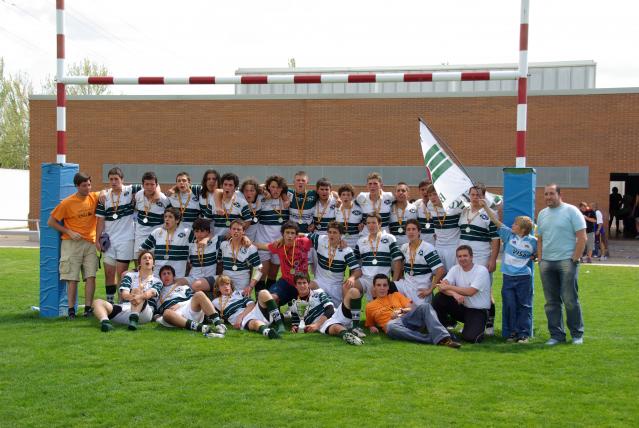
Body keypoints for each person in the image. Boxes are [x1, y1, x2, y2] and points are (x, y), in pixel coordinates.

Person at [537, 184, 586, 346]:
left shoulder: (571, 211)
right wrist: (540, 259)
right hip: (546, 263)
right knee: (551, 302)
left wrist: (575, 258)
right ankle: (556, 335)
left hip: (567, 261)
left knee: (570, 299)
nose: (548, 197)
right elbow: (540, 239)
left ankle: (577, 334)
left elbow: (582, 237)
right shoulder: (542, 214)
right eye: (546, 194)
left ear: (559, 194)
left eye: (551, 194)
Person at [481, 200, 536, 343]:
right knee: (510, 305)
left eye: (515, 224)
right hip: (508, 278)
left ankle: (523, 334)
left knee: (524, 306)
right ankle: (512, 333)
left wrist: (535, 256)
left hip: (524, 278)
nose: (512, 225)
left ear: (523, 229)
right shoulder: (508, 235)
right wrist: (485, 206)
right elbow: (495, 221)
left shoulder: (533, 241)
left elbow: (541, 251)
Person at [47, 172, 100, 319]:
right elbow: (50, 222)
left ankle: (88, 309)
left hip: (90, 243)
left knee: (91, 276)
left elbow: (114, 189)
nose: (87, 188)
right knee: (72, 278)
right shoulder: (67, 203)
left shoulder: (94, 197)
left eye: (89, 184)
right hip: (71, 243)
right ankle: (71, 310)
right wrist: (68, 232)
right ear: (77, 186)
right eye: (84, 185)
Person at [365, 274, 461, 348]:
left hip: (407, 320)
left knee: (425, 306)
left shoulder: (396, 295)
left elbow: (411, 308)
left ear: (388, 287)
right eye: (379, 285)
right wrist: (372, 327)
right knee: (391, 326)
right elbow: (370, 323)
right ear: (374, 287)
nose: (382, 288)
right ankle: (437, 339)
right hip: (394, 327)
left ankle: (442, 336)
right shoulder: (370, 306)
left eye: (385, 285)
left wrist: (400, 312)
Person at [458, 184, 499, 335]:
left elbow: (495, 239)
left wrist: (493, 259)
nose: (474, 197)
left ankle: (489, 324)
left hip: (481, 257)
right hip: (463, 259)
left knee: (485, 292)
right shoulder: (464, 211)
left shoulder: (490, 213)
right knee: (465, 290)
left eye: (478, 195)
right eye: (472, 194)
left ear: (483, 196)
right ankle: (470, 322)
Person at [95, 167, 139, 304]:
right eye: (111, 179)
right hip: (109, 240)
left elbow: (151, 184)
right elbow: (100, 220)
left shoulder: (130, 190)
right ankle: (110, 302)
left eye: (116, 179)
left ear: (122, 180)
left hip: (126, 239)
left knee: (121, 273)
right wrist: (97, 239)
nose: (114, 182)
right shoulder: (104, 197)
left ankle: (121, 302)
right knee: (108, 273)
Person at [431, 245, 492, 343]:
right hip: (462, 306)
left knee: (471, 338)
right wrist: (454, 294)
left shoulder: (481, 270)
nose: (462, 259)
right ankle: (442, 328)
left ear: (471, 257)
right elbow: (441, 287)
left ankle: (476, 327)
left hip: (478, 310)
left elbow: (470, 292)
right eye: (459, 256)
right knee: (439, 298)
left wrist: (450, 287)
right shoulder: (455, 269)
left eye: (465, 256)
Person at [93, 251, 163, 332]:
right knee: (97, 302)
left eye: (150, 258)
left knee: (138, 291)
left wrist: (137, 294)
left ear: (153, 264)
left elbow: (148, 294)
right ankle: (105, 322)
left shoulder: (157, 281)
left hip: (144, 312)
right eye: (144, 258)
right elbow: (124, 294)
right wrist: (133, 296)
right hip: (126, 308)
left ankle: (134, 317)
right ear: (139, 263)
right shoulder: (130, 275)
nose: (147, 259)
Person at [290, 274, 365, 346]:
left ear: (308, 283)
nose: (302, 286)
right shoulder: (294, 305)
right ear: (295, 285)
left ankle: (355, 327)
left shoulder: (318, 292)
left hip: (336, 314)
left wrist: (316, 325)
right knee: (336, 328)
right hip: (324, 325)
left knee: (353, 291)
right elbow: (296, 323)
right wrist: (295, 327)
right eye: (299, 283)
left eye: (304, 283)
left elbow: (330, 309)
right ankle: (347, 335)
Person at [155, 265, 227, 337]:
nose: (166, 276)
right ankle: (203, 328)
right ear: (160, 278)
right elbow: (160, 311)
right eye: (164, 274)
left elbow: (192, 299)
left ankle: (219, 325)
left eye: (169, 273)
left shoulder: (183, 287)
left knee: (199, 294)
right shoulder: (159, 292)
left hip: (189, 308)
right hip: (175, 315)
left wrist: (179, 304)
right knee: (167, 313)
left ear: (173, 276)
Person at [254, 221, 313, 306]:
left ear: (296, 235)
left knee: (305, 306)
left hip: (302, 282)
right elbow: (263, 246)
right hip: (286, 282)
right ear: (282, 234)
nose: (289, 236)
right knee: (270, 298)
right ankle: (275, 317)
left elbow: (318, 238)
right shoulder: (279, 245)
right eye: (287, 233)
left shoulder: (304, 242)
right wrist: (245, 241)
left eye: (292, 233)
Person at [308, 221, 362, 307]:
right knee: (308, 287)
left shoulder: (346, 251)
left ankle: (346, 316)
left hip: (336, 285)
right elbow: (301, 235)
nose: (331, 235)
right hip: (320, 282)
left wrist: (352, 278)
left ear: (341, 235)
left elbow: (358, 270)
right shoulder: (320, 240)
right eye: (329, 232)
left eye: (335, 233)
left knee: (334, 311)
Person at [352, 213, 403, 300]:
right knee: (349, 288)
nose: (371, 226)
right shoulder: (361, 241)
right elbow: (355, 262)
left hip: (381, 280)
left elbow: (398, 261)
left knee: (377, 308)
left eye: (374, 223)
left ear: (379, 224)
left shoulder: (389, 238)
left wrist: (393, 282)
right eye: (368, 223)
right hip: (365, 279)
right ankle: (354, 314)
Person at [395, 219, 445, 306]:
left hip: (420, 290)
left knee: (416, 315)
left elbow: (440, 270)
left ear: (419, 232)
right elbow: (400, 264)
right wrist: (398, 278)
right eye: (408, 229)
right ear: (405, 232)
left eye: (413, 229)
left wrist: (430, 290)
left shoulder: (427, 248)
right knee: (384, 287)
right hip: (405, 286)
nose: (411, 232)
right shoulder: (404, 247)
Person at [255, 175, 290, 291]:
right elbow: (251, 187)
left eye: (279, 187)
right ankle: (258, 303)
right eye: (273, 187)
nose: (276, 190)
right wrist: (263, 189)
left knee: (273, 275)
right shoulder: (261, 197)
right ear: (268, 187)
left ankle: (269, 301)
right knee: (261, 274)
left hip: (279, 243)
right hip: (262, 242)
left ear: (282, 188)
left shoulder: (287, 197)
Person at [140, 207, 192, 277]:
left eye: (170, 217)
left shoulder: (186, 233)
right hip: (157, 275)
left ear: (177, 220)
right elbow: (142, 249)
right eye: (165, 217)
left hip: (177, 276)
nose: (167, 219)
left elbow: (199, 241)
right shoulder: (157, 232)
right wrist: (147, 263)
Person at [218, 219, 263, 296]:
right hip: (226, 282)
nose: (236, 231)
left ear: (243, 232)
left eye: (239, 229)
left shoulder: (250, 248)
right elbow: (219, 263)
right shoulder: (223, 245)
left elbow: (260, 269)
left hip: (241, 283)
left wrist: (250, 286)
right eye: (234, 229)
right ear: (230, 230)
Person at [133, 171, 170, 261]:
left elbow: (170, 214)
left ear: (156, 185)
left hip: (156, 236)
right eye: (147, 184)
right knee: (138, 261)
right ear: (143, 185)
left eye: (152, 184)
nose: (149, 187)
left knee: (155, 262)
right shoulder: (138, 195)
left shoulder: (163, 198)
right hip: (140, 235)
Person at [426, 184, 462, 271]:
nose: (432, 197)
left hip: (453, 247)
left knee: (452, 275)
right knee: (438, 274)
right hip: (438, 246)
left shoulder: (455, 205)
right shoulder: (430, 205)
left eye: (435, 194)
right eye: (430, 195)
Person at [186, 218, 222, 292]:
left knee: (195, 285)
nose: (199, 234)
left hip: (209, 278)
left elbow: (229, 236)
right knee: (176, 282)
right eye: (197, 231)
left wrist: (207, 238)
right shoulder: (191, 246)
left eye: (202, 231)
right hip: (194, 277)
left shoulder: (215, 242)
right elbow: (190, 264)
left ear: (208, 232)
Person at [212, 172, 252, 237]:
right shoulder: (213, 201)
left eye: (230, 185)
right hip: (216, 239)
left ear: (235, 188)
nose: (227, 187)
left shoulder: (242, 203)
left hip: (233, 240)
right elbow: (206, 220)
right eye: (225, 184)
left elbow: (248, 221)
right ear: (222, 186)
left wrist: (237, 233)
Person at [355, 172, 394, 237]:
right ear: (367, 186)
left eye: (375, 184)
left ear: (381, 185)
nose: (372, 186)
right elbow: (352, 206)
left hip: (384, 236)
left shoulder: (389, 196)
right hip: (366, 235)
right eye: (370, 184)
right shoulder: (361, 197)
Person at [334, 184, 363, 248]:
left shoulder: (359, 209)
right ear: (340, 197)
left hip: (356, 241)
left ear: (352, 197)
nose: (346, 197)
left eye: (348, 195)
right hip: (341, 241)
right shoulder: (336, 209)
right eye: (343, 195)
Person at [388, 182, 417, 246]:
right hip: (394, 246)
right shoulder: (389, 209)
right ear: (395, 194)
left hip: (410, 245)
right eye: (398, 191)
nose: (400, 192)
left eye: (403, 191)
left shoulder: (414, 208)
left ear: (408, 194)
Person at [413, 179, 436, 245]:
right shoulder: (416, 204)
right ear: (419, 191)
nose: (425, 192)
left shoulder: (437, 204)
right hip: (421, 241)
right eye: (422, 190)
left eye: (427, 189)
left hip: (435, 241)